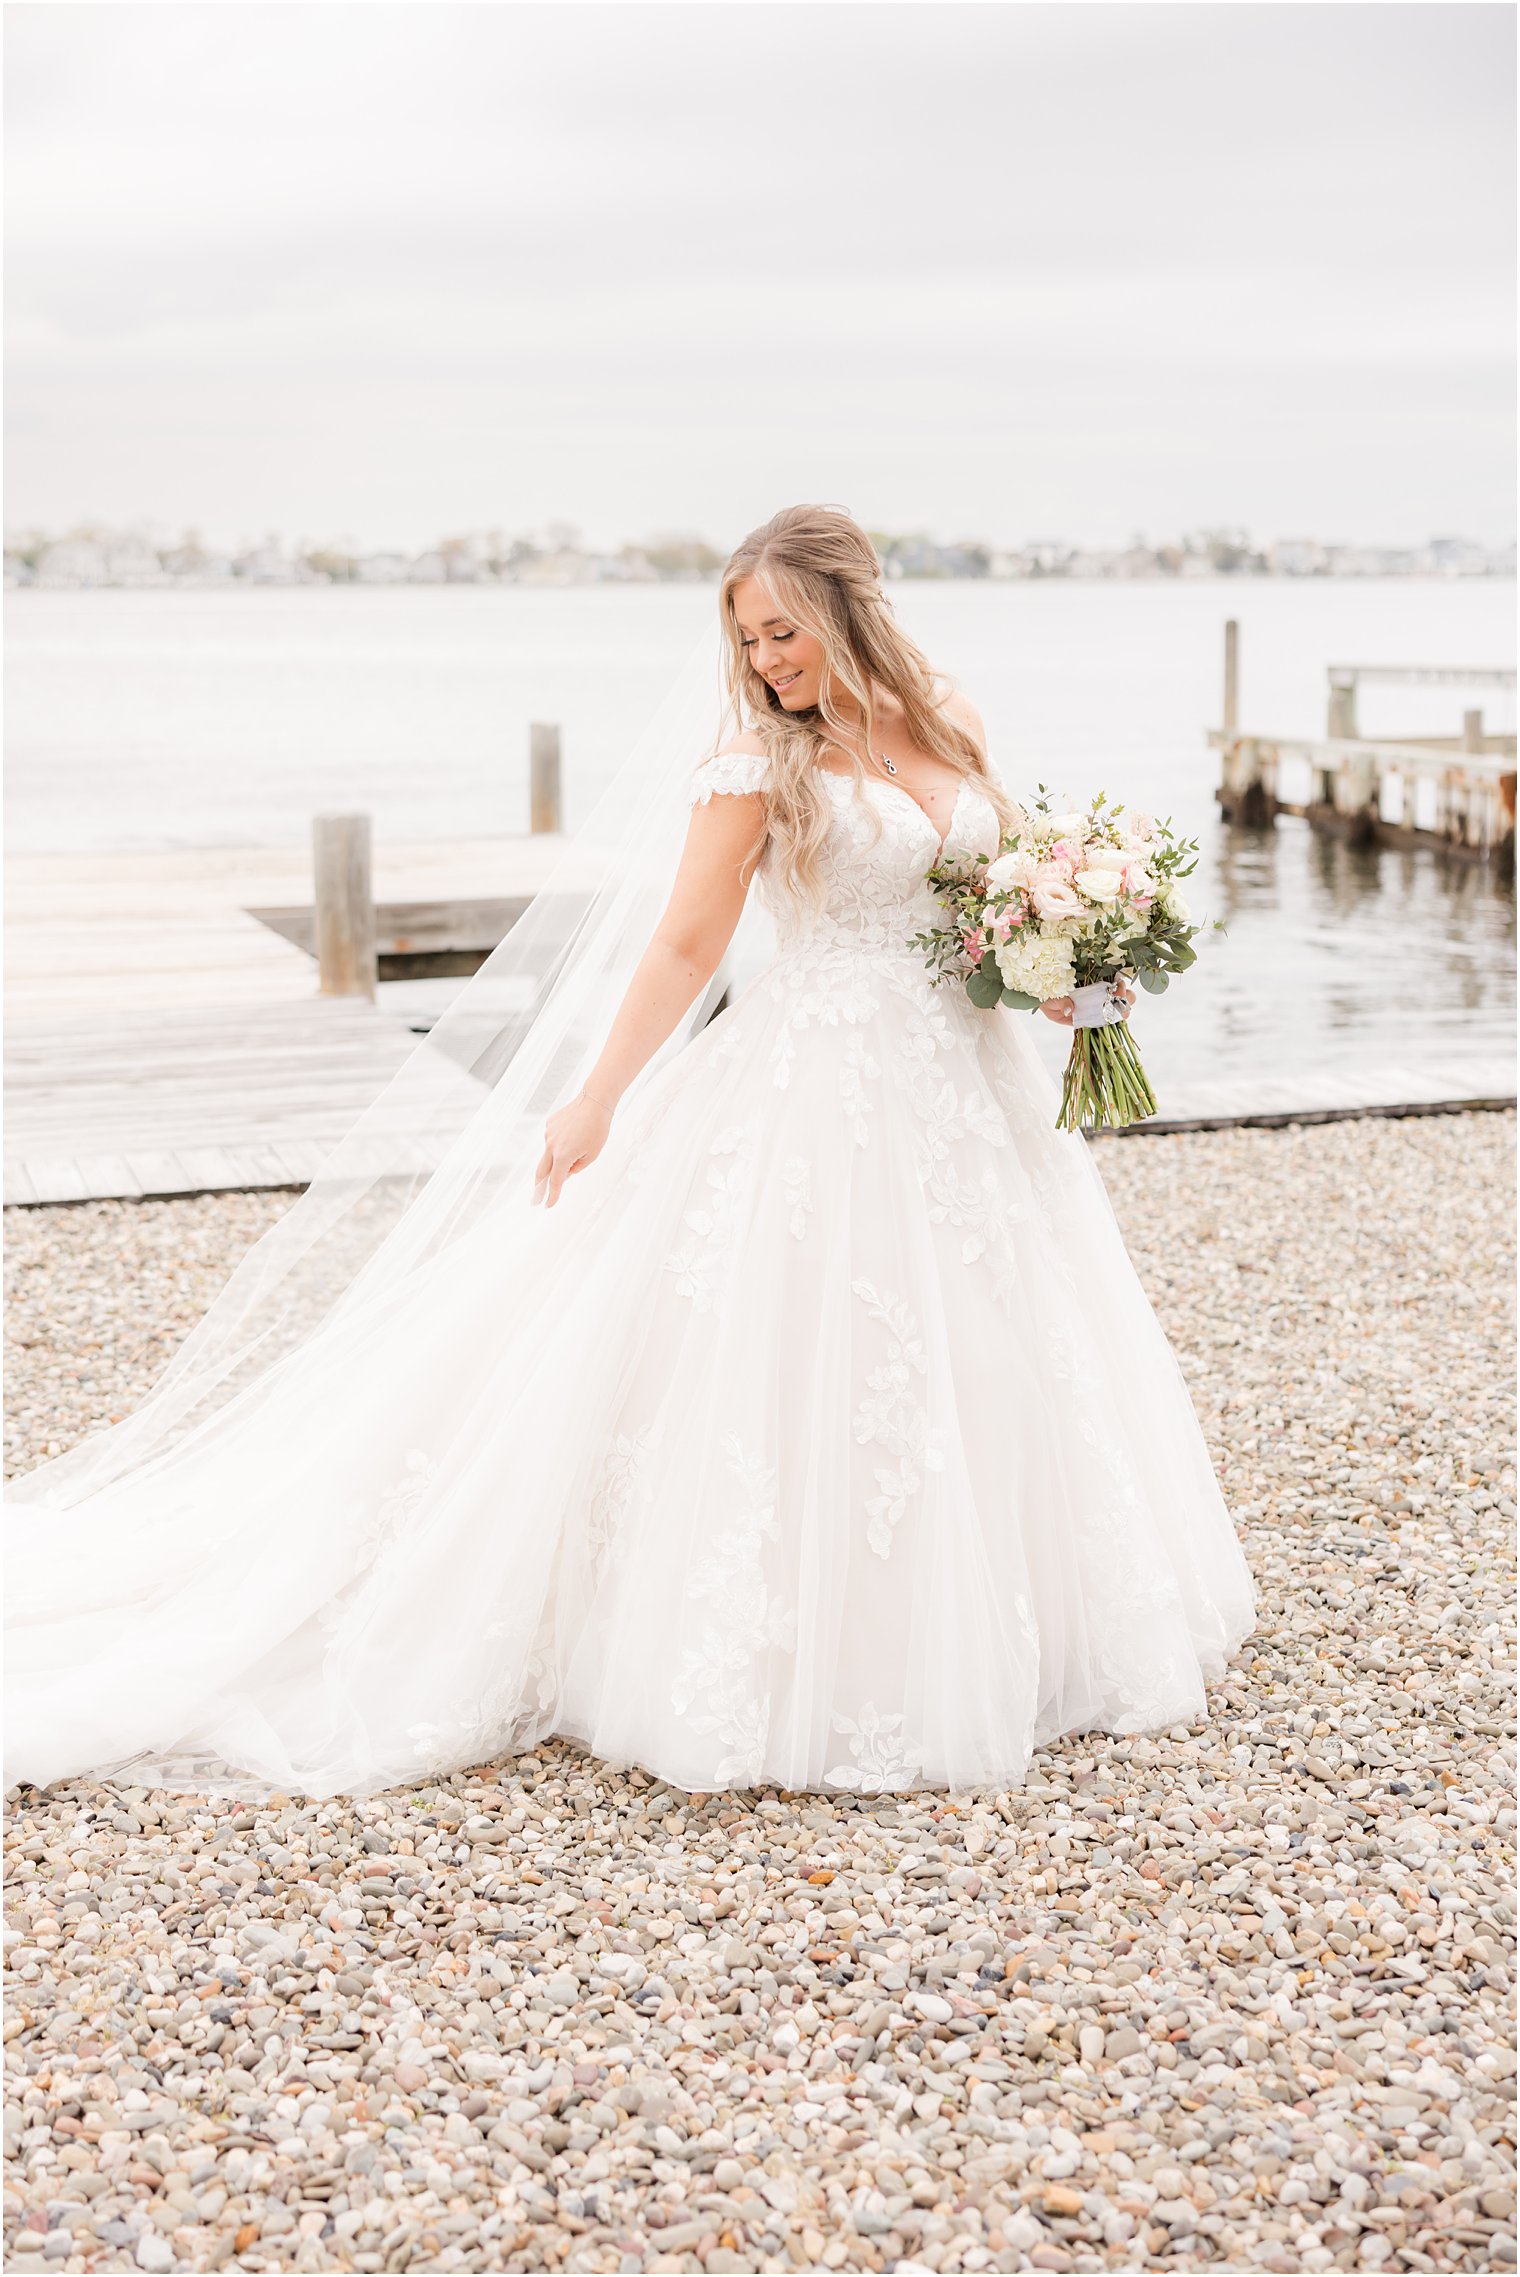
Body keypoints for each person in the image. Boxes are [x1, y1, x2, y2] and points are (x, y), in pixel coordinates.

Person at [5, 504, 1256, 1801]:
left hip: (966, 1086)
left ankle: (1016, 1621)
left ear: (847, 605)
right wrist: (597, 1095)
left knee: (996, 1345)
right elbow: (683, 943)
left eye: (783, 630)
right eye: (750, 638)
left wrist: (1074, 979)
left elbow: (981, 930)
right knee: (819, 1350)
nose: (767, 659)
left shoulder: (948, 726)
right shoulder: (755, 770)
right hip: (821, 1082)